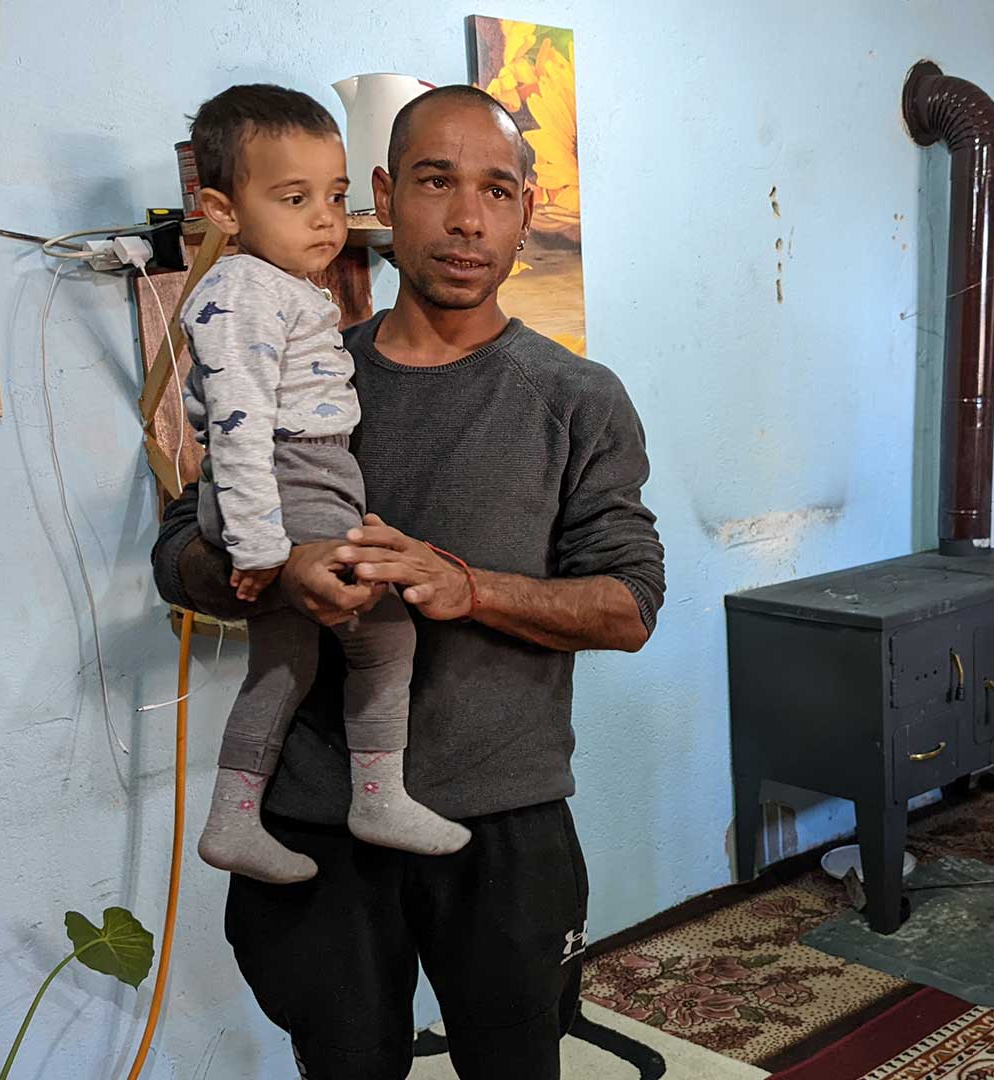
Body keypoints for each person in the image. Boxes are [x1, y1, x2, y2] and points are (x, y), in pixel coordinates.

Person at [151, 83, 664, 1080]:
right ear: (382, 196)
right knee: (344, 1063)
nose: (469, 219)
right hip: (314, 815)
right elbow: (179, 548)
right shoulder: (299, 363)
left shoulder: (578, 400)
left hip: (503, 815)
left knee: (516, 1061)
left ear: (526, 211)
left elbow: (629, 604)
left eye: (499, 190)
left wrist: (470, 586)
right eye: (436, 182)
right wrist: (278, 571)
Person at [180, 83, 470, 885]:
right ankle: (378, 795)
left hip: (311, 473)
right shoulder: (242, 294)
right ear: (222, 208)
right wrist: (265, 549)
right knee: (383, 633)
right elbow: (237, 430)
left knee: (284, 663)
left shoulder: (280, 289)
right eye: (294, 197)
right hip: (293, 472)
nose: (323, 218)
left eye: (335, 197)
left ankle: (231, 818)